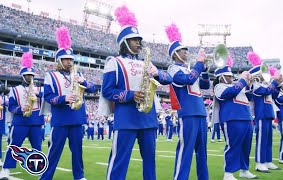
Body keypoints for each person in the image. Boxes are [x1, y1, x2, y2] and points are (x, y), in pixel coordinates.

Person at [98, 5, 172, 180]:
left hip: (148, 119)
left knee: (150, 163)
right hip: (126, 119)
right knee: (119, 162)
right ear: (124, 42)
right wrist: (131, 95)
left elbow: (168, 79)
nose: (138, 42)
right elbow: (107, 91)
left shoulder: (146, 62)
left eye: (139, 39)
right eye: (134, 39)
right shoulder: (114, 62)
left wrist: (157, 73)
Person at [39, 26, 95, 180]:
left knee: (77, 151)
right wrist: (64, 99)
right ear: (59, 60)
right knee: (54, 151)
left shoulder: (79, 74)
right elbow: (48, 97)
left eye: (71, 59)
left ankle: (79, 176)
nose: (70, 62)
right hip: (61, 119)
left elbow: (92, 88)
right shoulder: (51, 76)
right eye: (67, 59)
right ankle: (45, 177)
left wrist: (83, 81)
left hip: (77, 118)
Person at [165, 23, 209, 180]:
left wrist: (205, 70)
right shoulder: (173, 69)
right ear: (176, 53)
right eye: (184, 50)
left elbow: (205, 84)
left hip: (200, 113)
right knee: (185, 150)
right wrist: (199, 64)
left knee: (202, 152)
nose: (186, 52)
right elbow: (189, 80)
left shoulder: (191, 69)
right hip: (188, 113)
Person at [0, 52, 44, 179]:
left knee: (37, 148)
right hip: (20, 121)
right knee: (14, 145)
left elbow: (48, 99)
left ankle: (40, 170)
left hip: (36, 121)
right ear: (22, 76)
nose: (30, 77)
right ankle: (6, 169)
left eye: (31, 75)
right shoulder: (14, 90)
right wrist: (20, 109)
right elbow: (11, 107)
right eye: (27, 75)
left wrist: (37, 93)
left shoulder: (39, 89)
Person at [213, 55, 257, 180]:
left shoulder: (236, 86)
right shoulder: (219, 87)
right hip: (231, 119)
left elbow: (248, 98)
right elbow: (230, 93)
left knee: (246, 146)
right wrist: (242, 81)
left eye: (231, 76)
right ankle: (228, 173)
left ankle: (244, 169)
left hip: (246, 118)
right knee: (232, 145)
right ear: (221, 77)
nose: (231, 78)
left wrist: (249, 84)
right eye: (228, 76)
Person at [247, 52, 282, 172]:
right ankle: (259, 162)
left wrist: (278, 85)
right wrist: (275, 82)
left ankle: (267, 160)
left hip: (268, 114)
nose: (264, 75)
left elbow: (274, 94)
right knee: (261, 140)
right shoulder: (256, 86)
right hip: (261, 115)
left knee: (268, 139)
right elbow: (266, 91)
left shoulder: (264, 85)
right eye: (262, 73)